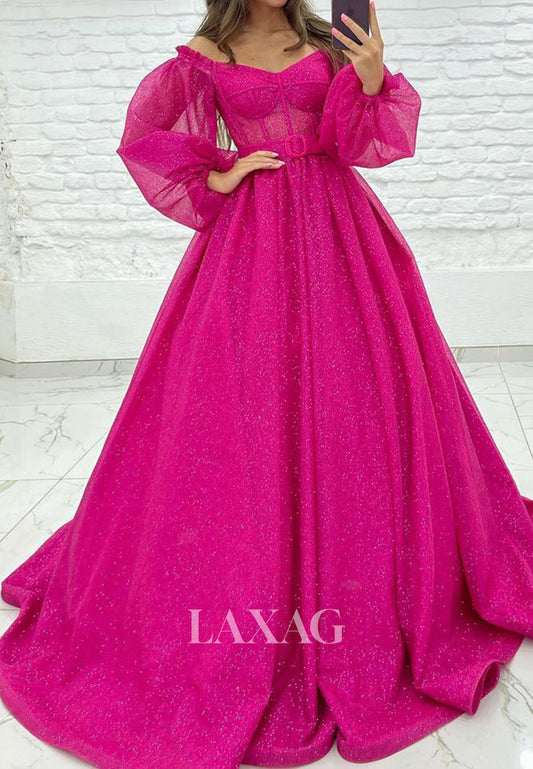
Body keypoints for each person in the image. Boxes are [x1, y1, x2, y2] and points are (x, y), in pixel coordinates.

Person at [1, 1, 532, 767]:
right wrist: (224, 168)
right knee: (240, 408)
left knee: (365, 402)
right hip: (251, 241)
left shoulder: (325, 36)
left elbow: (359, 143)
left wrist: (370, 75)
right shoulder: (205, 52)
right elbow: (148, 139)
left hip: (342, 233)